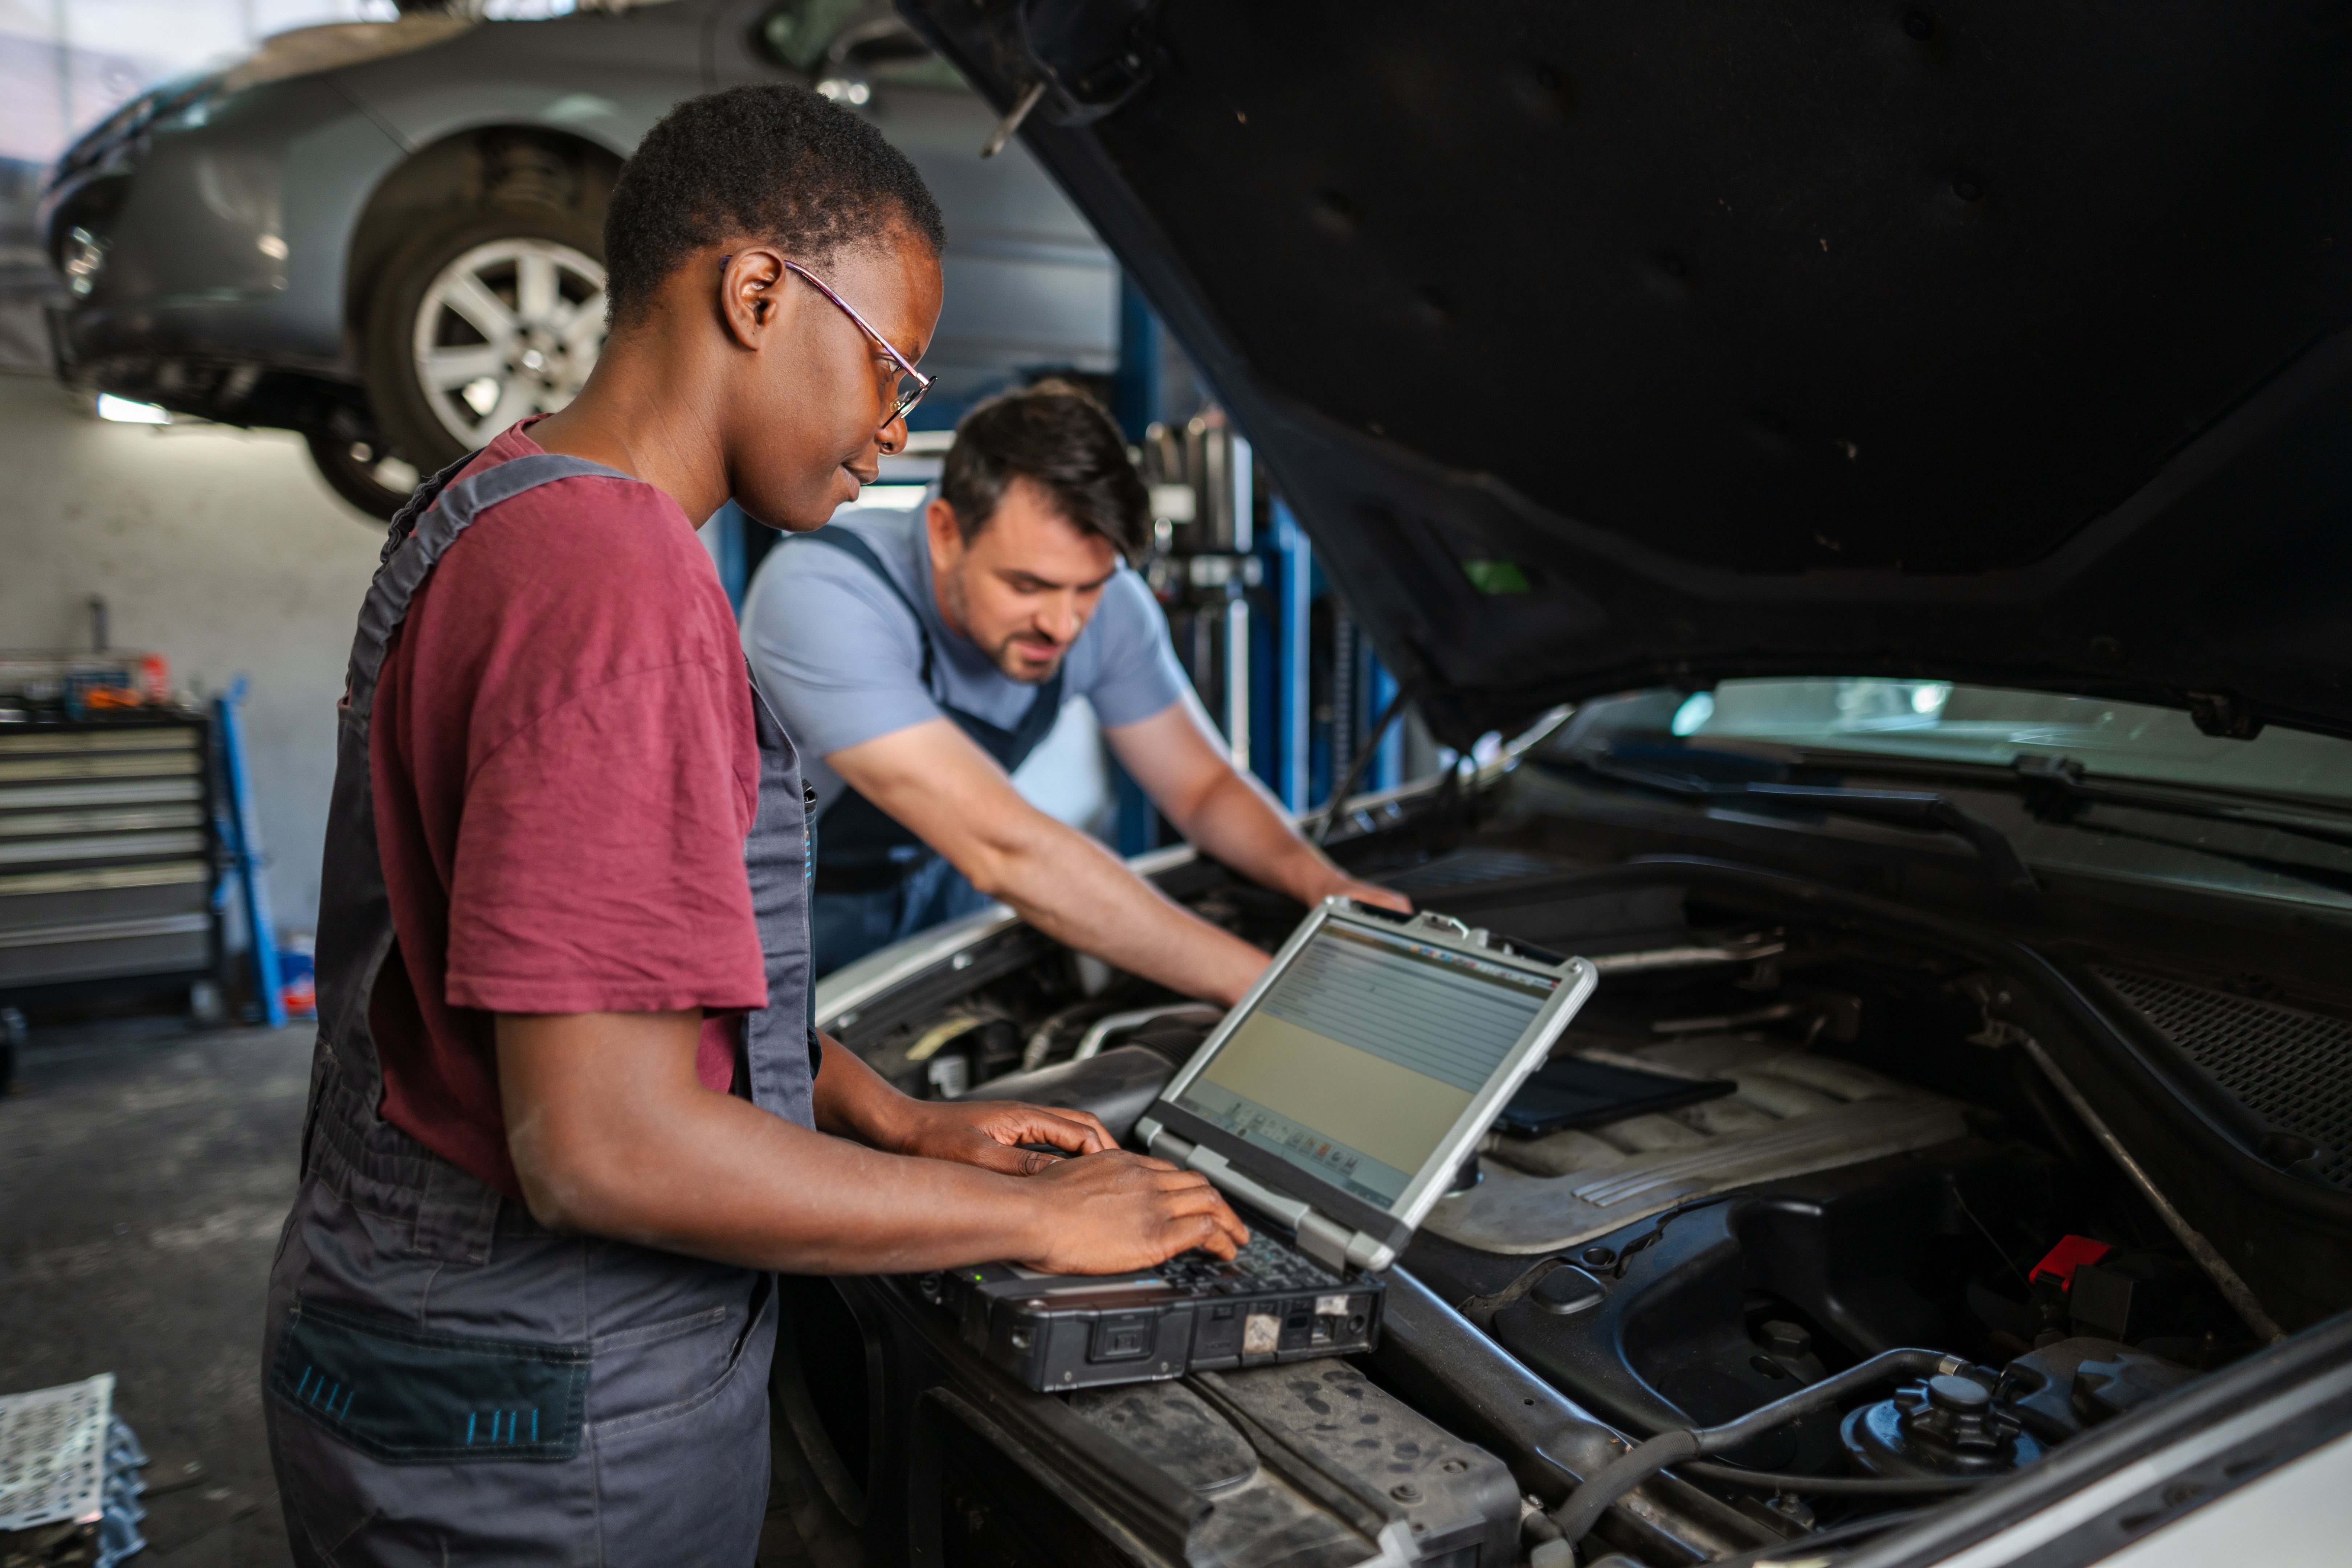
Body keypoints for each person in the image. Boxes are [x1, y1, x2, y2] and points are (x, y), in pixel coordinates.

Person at [261, 85, 1244, 1567]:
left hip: (409, 1344)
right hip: (544, 1430)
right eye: (892, 366)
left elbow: (587, 986)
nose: (896, 427)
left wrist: (890, 1116)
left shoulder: (497, 504)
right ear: (759, 290)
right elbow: (605, 1143)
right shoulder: (616, 579)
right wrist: (1037, 1226)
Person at [742, 383, 1409, 999]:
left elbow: (1202, 788)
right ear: (946, 533)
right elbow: (1005, 848)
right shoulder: (821, 595)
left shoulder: (1111, 604)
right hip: (783, 900)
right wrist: (1277, 994)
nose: (1063, 625)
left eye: (1086, 588)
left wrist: (1325, 887)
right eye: (1027, 586)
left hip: (940, 878)